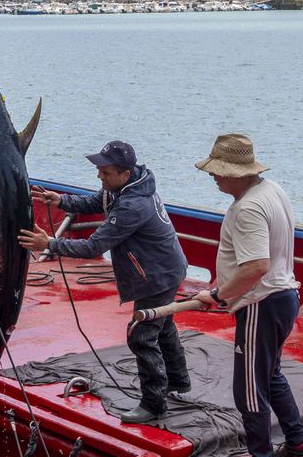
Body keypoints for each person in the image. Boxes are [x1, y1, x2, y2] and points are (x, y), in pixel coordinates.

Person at [18, 140, 190, 424]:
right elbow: (97, 201)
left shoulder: (133, 205)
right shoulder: (125, 187)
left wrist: (49, 242)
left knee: (142, 335)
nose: (100, 176)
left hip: (158, 275)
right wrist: (61, 200)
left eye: (105, 172)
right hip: (165, 268)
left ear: (125, 172)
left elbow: (93, 247)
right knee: (164, 326)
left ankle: (154, 404)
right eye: (99, 170)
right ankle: (178, 382)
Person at [192, 134, 303, 457]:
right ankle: (298, 446)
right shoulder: (272, 190)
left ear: (234, 172)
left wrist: (218, 295)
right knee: (270, 377)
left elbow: (257, 266)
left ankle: (261, 453)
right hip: (284, 297)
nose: (212, 176)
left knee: (248, 391)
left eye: (216, 170)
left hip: (262, 304)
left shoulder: (247, 208)